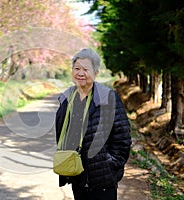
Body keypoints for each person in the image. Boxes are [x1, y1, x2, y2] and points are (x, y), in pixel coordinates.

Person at [55, 48, 132, 200]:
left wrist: (110, 165)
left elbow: (123, 137)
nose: (80, 73)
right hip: (76, 175)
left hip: (102, 178)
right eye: (77, 68)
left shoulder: (108, 98)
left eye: (85, 69)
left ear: (95, 73)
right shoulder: (67, 98)